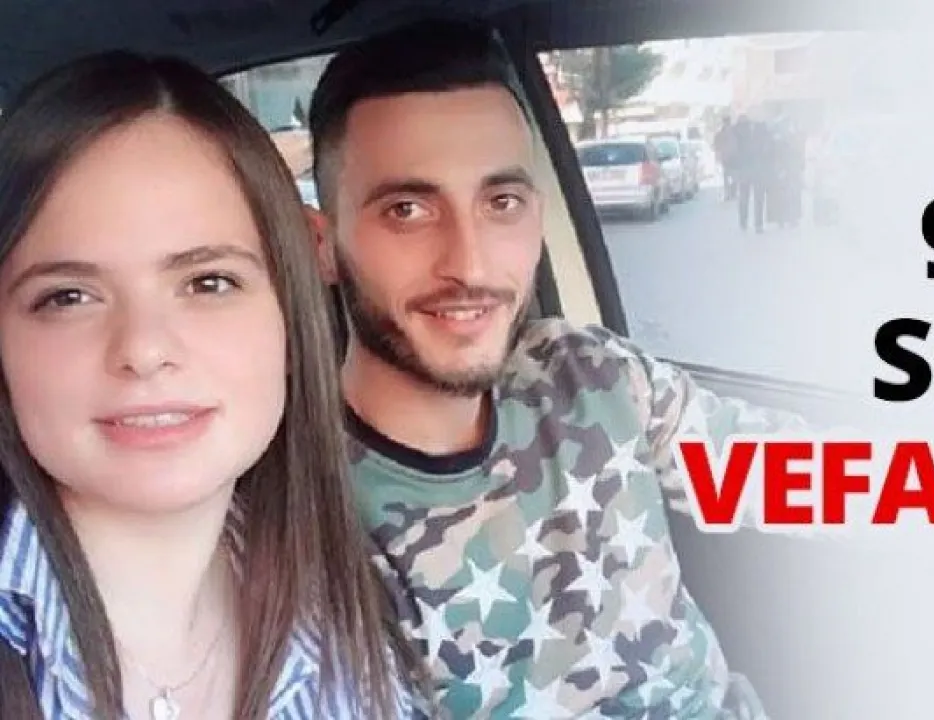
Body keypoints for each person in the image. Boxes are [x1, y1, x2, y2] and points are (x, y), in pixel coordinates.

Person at [305, 20, 813, 719]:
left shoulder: (587, 373)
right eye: (409, 210)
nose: (471, 264)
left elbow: (799, 475)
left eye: (502, 203)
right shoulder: (305, 521)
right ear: (322, 245)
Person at [0, 52, 429, 719]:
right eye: (68, 296)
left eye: (208, 283)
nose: (144, 350)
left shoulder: (351, 609)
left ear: (290, 316)